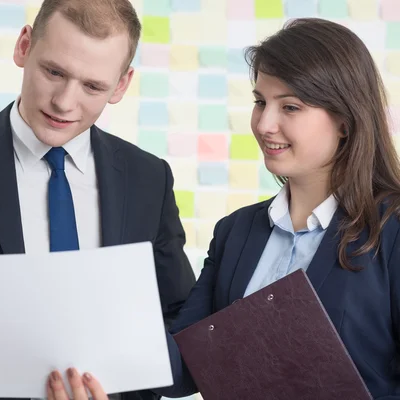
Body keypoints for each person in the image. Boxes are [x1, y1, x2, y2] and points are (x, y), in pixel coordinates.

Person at [0, 1, 196, 399]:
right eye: (54, 72)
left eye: (93, 86)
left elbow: (180, 327)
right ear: (23, 46)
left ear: (121, 85)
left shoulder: (148, 178)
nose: (65, 103)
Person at [153, 18, 400, 399]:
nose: (265, 124)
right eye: (260, 102)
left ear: (345, 122)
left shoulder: (392, 228)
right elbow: (183, 366)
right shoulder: (234, 231)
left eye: (290, 107)